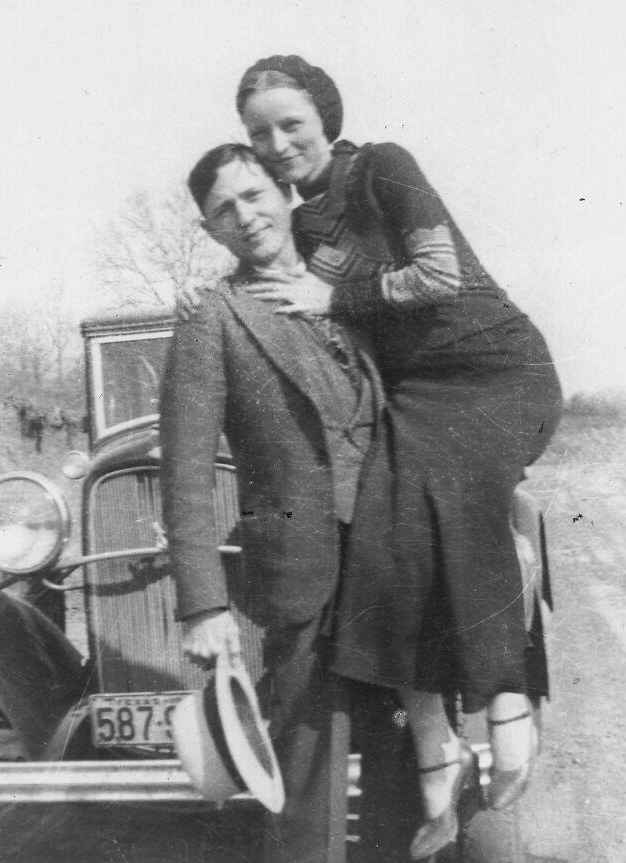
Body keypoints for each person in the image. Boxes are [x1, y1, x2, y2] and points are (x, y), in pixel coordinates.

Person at [227, 55, 563, 859]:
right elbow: (275, 287)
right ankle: (435, 745)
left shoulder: (385, 166)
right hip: (412, 396)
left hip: (496, 370)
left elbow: (439, 274)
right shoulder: (303, 224)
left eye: (291, 125)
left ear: (324, 118)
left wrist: (336, 296)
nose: (277, 144)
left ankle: (508, 709)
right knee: (379, 538)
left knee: (451, 492)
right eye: (259, 133)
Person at [160, 143, 415, 863]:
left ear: (284, 192)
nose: (245, 216)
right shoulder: (211, 316)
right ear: (210, 232)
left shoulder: (355, 286)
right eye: (223, 211)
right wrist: (204, 604)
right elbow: (182, 472)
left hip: (393, 559)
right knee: (307, 777)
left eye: (253, 194)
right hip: (302, 574)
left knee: (406, 756)